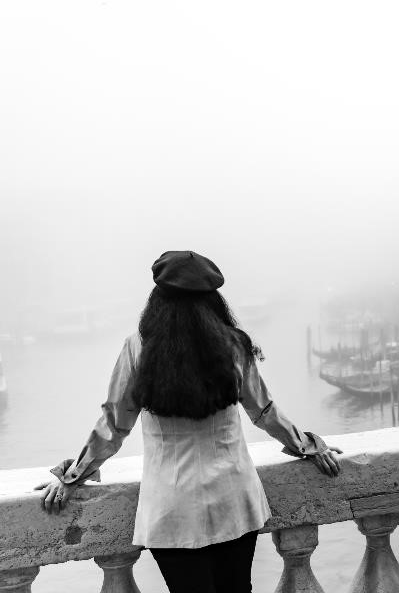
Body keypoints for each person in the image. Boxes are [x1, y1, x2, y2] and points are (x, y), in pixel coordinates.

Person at [34, 250, 342, 593]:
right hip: (234, 500)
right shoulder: (232, 345)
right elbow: (264, 412)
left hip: (171, 509)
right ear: (213, 300)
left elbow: (114, 425)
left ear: (157, 300)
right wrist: (308, 446)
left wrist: (73, 476)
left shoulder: (139, 348)